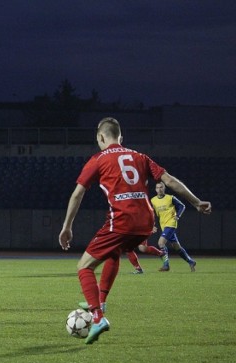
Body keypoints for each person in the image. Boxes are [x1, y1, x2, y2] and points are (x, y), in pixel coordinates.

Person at [59, 117, 211, 345]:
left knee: (83, 267)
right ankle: (102, 301)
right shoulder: (140, 157)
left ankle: (98, 316)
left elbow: (78, 193)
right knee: (114, 253)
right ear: (121, 137)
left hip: (122, 219)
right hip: (146, 220)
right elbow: (169, 180)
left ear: (101, 137)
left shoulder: (98, 159)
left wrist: (67, 227)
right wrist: (196, 202)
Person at [152, 181, 197, 272]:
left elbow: (182, 206)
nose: (159, 189)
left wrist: (178, 216)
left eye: (161, 187)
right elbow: (152, 213)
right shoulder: (153, 200)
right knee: (177, 247)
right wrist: (152, 224)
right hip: (163, 225)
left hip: (171, 223)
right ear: (155, 189)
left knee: (161, 243)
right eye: (158, 187)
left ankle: (166, 265)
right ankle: (191, 261)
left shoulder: (170, 198)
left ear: (164, 188)